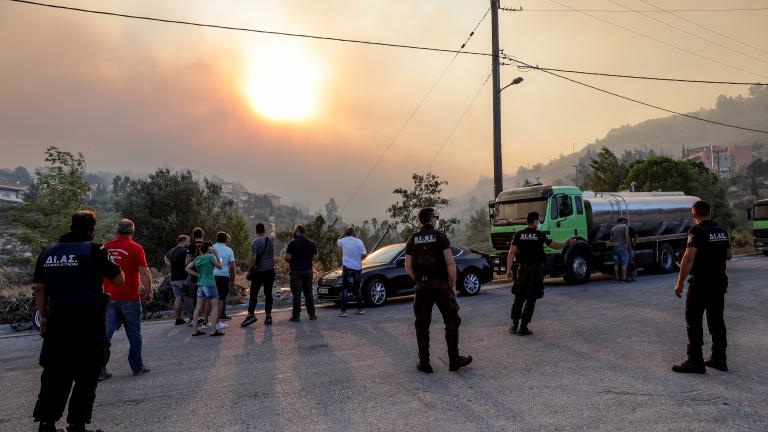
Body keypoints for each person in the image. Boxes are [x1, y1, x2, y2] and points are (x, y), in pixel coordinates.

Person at [32, 210, 124, 432]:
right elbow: (119, 280)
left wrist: (43, 316)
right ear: (92, 228)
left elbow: (40, 288)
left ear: (71, 225)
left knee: (54, 373)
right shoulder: (95, 250)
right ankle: (77, 424)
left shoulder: (48, 252)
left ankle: (47, 423)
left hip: (58, 321)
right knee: (87, 373)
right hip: (88, 321)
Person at [405, 207, 472, 373]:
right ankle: (454, 360)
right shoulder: (441, 237)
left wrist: (419, 281)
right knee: (452, 321)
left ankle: (424, 363)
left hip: (422, 287)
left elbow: (408, 267)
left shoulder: (412, 239)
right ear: (431, 219)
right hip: (441, 286)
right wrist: (453, 285)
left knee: (422, 325)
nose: (436, 219)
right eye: (435, 217)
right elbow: (450, 263)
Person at [672, 200, 731, 374]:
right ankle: (719, 358)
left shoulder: (695, 231)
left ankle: (695, 360)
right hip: (719, 282)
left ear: (694, 214)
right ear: (710, 212)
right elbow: (729, 255)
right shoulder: (721, 231)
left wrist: (680, 282)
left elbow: (688, 258)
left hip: (701, 284)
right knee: (716, 320)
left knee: (694, 320)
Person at [505, 211, 575, 336]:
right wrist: (567, 243)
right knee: (531, 299)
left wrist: (508, 270)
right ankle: (523, 327)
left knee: (519, 297)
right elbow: (555, 246)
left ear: (527, 221)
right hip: (536, 271)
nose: (539, 223)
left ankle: (514, 325)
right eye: (538, 221)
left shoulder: (518, 235)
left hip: (522, 270)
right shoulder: (540, 235)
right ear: (536, 221)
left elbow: (511, 253)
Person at [101, 219, 152, 381]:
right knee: (134, 333)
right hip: (130, 297)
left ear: (117, 231)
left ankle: (100, 370)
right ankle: (137, 367)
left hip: (108, 297)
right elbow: (144, 272)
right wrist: (149, 291)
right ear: (132, 231)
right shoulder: (136, 248)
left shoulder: (105, 247)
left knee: (105, 335)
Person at [241, 223, 277, 328]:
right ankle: (268, 316)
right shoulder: (270, 239)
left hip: (259, 272)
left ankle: (251, 315)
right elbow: (274, 233)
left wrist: (249, 270)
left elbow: (253, 259)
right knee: (268, 293)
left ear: (256, 231)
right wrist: (274, 226)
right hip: (270, 271)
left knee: (254, 294)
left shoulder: (255, 243)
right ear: (264, 230)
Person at [187, 241, 224, 336]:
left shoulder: (197, 258)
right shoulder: (210, 257)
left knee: (198, 308)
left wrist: (197, 274)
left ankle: (195, 331)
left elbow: (187, 268)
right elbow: (220, 267)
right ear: (209, 248)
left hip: (200, 285)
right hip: (210, 284)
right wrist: (216, 254)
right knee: (215, 307)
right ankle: (213, 330)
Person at [284, 224, 318, 322]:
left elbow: (287, 258)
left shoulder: (292, 243)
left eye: (294, 230)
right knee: (309, 294)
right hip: (308, 271)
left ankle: (296, 316)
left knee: (297, 295)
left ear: (298, 231)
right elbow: (315, 258)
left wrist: (293, 259)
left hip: (296, 272)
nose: (293, 231)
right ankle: (312, 315)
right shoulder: (312, 243)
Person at [337, 226, 368, 317]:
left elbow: (337, 241)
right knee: (357, 288)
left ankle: (343, 311)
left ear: (346, 233)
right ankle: (360, 309)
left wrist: (342, 235)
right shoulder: (359, 241)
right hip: (357, 268)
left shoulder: (343, 240)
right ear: (354, 233)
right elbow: (365, 254)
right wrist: (359, 260)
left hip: (347, 267)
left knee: (345, 289)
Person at [164, 235, 193, 325]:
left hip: (173, 278)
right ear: (183, 241)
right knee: (187, 297)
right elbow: (188, 261)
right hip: (182, 278)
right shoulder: (184, 251)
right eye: (188, 241)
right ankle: (192, 318)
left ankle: (178, 318)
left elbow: (165, 257)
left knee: (178, 297)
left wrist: (171, 265)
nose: (188, 243)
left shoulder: (172, 250)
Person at [184, 227, 205, 327]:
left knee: (187, 295)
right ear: (202, 235)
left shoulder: (192, 246)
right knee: (201, 297)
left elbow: (187, 261)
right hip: (205, 275)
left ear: (194, 235)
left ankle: (193, 317)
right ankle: (201, 316)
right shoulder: (207, 245)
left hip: (193, 275)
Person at [213, 231, 235, 324]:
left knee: (212, 298)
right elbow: (232, 265)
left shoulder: (211, 248)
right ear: (226, 239)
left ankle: (209, 319)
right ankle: (219, 319)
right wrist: (233, 277)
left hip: (211, 275)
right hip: (224, 276)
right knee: (222, 298)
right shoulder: (229, 250)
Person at [610, 216, 631, 283]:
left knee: (616, 264)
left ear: (617, 221)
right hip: (623, 247)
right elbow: (627, 236)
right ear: (622, 221)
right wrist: (629, 245)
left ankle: (617, 279)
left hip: (615, 248)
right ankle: (624, 279)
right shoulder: (625, 226)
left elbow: (611, 239)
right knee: (624, 264)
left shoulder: (613, 228)